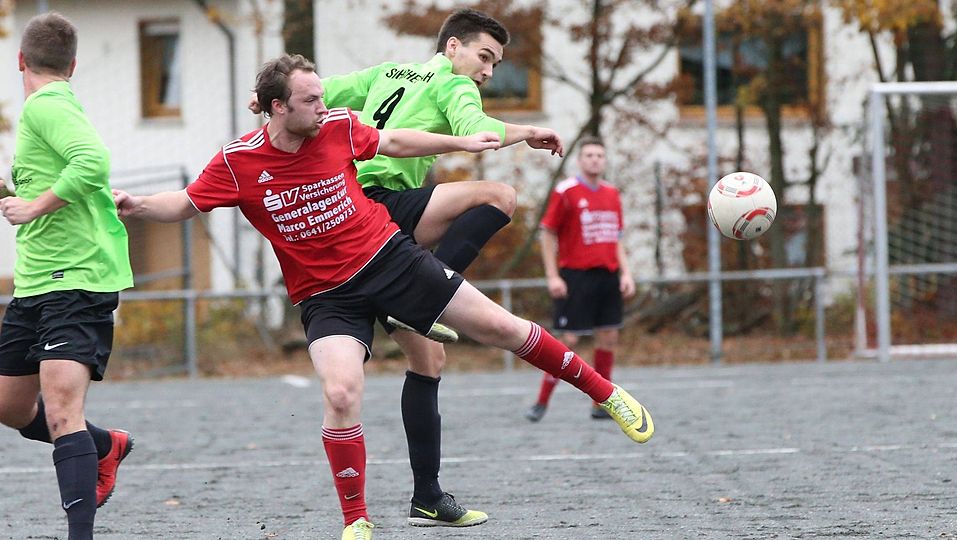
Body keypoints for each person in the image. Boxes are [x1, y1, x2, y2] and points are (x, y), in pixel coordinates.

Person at [116, 54, 653, 540]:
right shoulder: (238, 162)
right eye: (311, 100)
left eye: (324, 97)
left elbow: (397, 140)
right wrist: (136, 205)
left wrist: (463, 142)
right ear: (277, 109)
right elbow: (184, 203)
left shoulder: (339, 127)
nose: (325, 107)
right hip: (326, 296)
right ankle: (356, 521)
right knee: (342, 393)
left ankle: (606, 392)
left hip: (391, 260)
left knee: (503, 329)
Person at [317, 8, 567, 528]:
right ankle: (432, 297)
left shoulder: (386, 72)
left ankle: (426, 497)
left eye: (496, 63)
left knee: (428, 359)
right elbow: (478, 130)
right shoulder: (454, 85)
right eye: (484, 56)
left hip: (343, 207)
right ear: (452, 47)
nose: (488, 72)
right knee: (500, 196)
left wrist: (265, 96)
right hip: (379, 208)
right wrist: (528, 130)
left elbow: (321, 90)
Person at [0, 12, 135, 540]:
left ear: (20, 60)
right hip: (36, 281)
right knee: (10, 405)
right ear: (72, 64)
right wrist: (22, 200)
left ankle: (80, 533)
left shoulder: (45, 106)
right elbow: (46, 181)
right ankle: (105, 445)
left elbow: (93, 161)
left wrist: (34, 208)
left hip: (76, 277)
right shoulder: (50, 107)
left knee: (60, 409)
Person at [525, 137, 636, 422]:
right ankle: (541, 402)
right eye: (589, 155)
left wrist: (626, 273)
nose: (595, 159)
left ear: (605, 160)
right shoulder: (566, 192)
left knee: (609, 336)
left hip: (608, 276)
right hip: (576, 276)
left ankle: (602, 404)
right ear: (580, 160)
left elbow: (616, 238)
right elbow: (548, 233)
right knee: (568, 340)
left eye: (600, 155)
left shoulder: (612, 193)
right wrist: (553, 275)